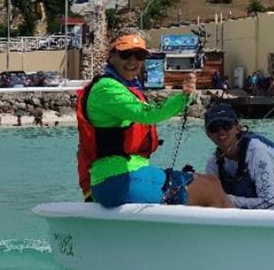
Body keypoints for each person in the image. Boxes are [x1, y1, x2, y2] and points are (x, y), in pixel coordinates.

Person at [77, 33, 232, 209]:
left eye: (139, 56)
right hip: (118, 180)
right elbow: (149, 115)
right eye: (126, 54)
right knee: (210, 189)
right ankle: (242, 233)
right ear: (111, 57)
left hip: (122, 177)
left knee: (210, 182)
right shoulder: (106, 89)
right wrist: (182, 97)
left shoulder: (121, 88)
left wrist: (186, 96)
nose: (132, 61)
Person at [203, 103, 274, 211]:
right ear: (208, 134)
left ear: (237, 128)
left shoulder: (257, 152)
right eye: (214, 128)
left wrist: (227, 199)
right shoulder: (213, 163)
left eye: (226, 125)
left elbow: (269, 203)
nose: (221, 131)